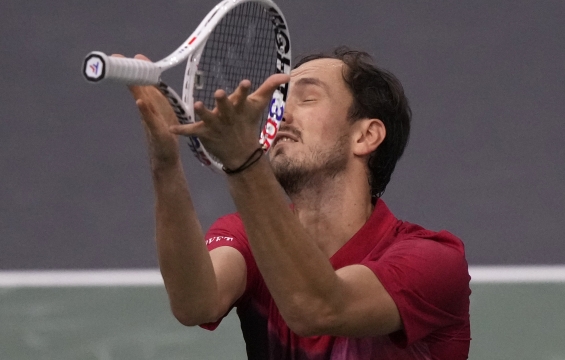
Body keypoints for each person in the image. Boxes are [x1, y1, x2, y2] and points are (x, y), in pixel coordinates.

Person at [128, 47, 471, 359]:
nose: (279, 117)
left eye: (306, 99)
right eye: (281, 102)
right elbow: (195, 304)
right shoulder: (246, 237)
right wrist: (165, 161)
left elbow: (319, 307)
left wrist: (242, 161)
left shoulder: (434, 262)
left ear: (366, 135)